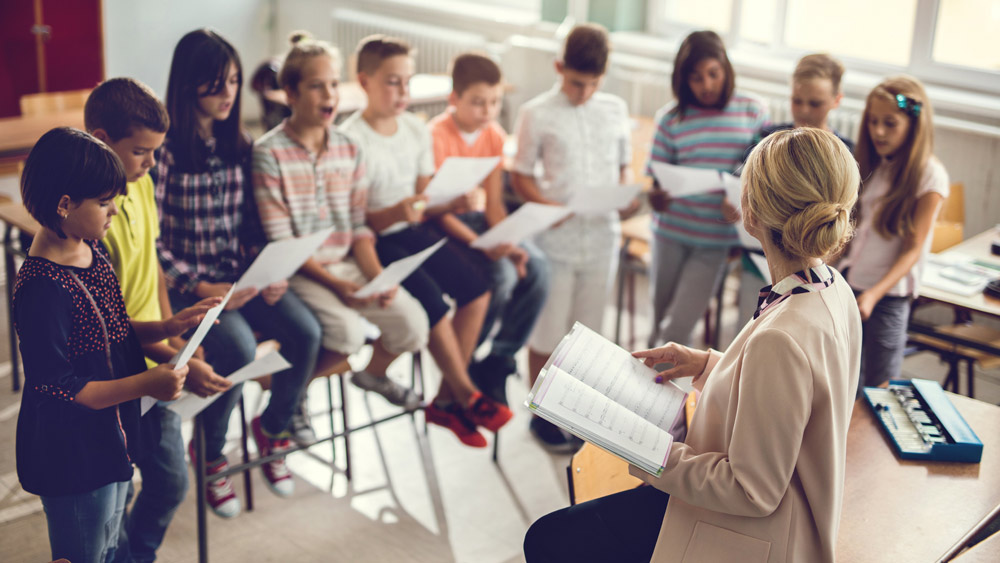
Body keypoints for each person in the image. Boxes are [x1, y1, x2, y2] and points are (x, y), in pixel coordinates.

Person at [524, 127, 863, 563]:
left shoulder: (781, 337)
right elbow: (790, 397)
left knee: (550, 541)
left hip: (750, 536)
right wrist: (706, 365)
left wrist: (649, 450)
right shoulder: (830, 288)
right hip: (773, 512)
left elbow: (751, 491)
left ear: (751, 209)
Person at [14, 127, 216, 563]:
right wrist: (147, 384)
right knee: (88, 550)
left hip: (112, 435)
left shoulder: (91, 247)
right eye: (104, 202)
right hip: (74, 454)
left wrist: (166, 325)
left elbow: (113, 329)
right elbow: (60, 387)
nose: (114, 211)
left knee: (113, 541)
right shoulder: (42, 288)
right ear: (65, 204)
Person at [152, 28, 323, 517]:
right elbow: (154, 246)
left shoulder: (239, 144)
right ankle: (210, 453)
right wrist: (200, 285)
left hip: (238, 279)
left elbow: (250, 224)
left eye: (233, 81)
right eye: (215, 83)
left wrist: (268, 269)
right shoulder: (163, 154)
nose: (229, 93)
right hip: (192, 288)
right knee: (238, 348)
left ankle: (272, 430)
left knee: (306, 333)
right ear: (188, 87)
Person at [84, 77, 231, 562]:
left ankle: (136, 557)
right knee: (117, 496)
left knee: (169, 481)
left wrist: (180, 337)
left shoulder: (141, 184)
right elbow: (111, 327)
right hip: (120, 373)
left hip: (158, 361)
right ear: (103, 141)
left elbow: (153, 271)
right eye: (141, 152)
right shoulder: (91, 222)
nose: (150, 164)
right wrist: (171, 357)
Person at [340, 35, 513, 448]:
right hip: (377, 238)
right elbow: (357, 218)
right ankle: (467, 394)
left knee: (479, 288)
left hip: (415, 229)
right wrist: (405, 210)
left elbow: (423, 199)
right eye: (392, 82)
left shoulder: (416, 129)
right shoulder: (351, 138)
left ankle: (448, 400)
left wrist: (444, 200)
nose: (403, 92)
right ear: (364, 81)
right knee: (433, 303)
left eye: (408, 82)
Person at [253, 33, 429, 419]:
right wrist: (341, 288)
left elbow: (358, 227)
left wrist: (377, 279)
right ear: (290, 93)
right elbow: (284, 244)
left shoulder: (350, 147)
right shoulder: (268, 153)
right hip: (301, 271)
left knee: (414, 326)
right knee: (348, 334)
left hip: (346, 263)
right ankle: (285, 402)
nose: (329, 95)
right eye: (316, 86)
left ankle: (304, 387)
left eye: (333, 84)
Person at [511, 23, 634, 451]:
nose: (583, 93)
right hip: (555, 241)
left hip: (601, 236)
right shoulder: (536, 112)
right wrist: (546, 207)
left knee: (590, 335)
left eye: (592, 84)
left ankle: (579, 412)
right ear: (558, 67)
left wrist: (626, 194)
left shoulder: (616, 109)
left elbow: (623, 167)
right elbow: (520, 174)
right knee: (548, 332)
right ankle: (541, 415)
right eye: (575, 83)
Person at [427, 52, 549, 405]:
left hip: (479, 221)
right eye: (478, 103)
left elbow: (494, 204)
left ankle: (499, 359)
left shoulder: (493, 135)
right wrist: (484, 245)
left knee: (537, 267)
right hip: (446, 226)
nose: (488, 111)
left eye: (494, 102)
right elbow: (437, 213)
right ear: (455, 99)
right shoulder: (436, 136)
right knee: (503, 277)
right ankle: (460, 365)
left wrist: (508, 241)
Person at [646, 30, 768, 348]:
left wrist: (742, 201)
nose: (707, 85)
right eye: (696, 78)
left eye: (713, 74)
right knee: (658, 321)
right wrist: (656, 197)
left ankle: (660, 387)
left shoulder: (752, 111)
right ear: (683, 79)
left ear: (726, 70)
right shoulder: (670, 120)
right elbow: (655, 183)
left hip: (713, 242)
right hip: (670, 234)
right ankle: (641, 392)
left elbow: (759, 175)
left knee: (677, 328)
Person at [839, 75, 948, 391]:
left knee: (878, 387)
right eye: (873, 122)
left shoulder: (930, 177)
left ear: (914, 125)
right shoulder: (873, 165)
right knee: (844, 379)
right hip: (851, 284)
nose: (878, 132)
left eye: (890, 123)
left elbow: (913, 249)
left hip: (887, 298)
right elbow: (852, 230)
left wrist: (873, 294)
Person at [735, 53, 854, 326]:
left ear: (837, 100)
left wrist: (813, 259)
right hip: (759, 257)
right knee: (749, 327)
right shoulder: (767, 141)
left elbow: (840, 217)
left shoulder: (844, 156)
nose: (804, 111)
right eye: (796, 101)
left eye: (815, 103)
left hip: (812, 263)